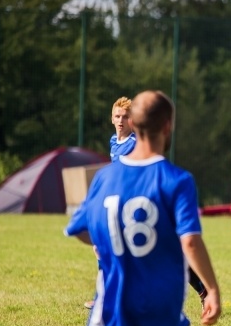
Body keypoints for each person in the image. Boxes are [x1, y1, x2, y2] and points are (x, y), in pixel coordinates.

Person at [65, 90, 222, 326]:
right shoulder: (177, 180)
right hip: (162, 301)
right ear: (168, 126)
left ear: (131, 125)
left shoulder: (106, 177)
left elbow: (81, 230)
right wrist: (212, 288)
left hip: (112, 299)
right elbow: (189, 240)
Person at [82, 98, 207, 309]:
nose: (121, 121)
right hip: (122, 208)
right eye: (117, 116)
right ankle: (105, 297)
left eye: (125, 117)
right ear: (111, 119)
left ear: (133, 121)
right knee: (105, 247)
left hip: (144, 208)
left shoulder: (136, 144)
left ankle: (202, 289)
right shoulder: (114, 142)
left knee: (168, 253)